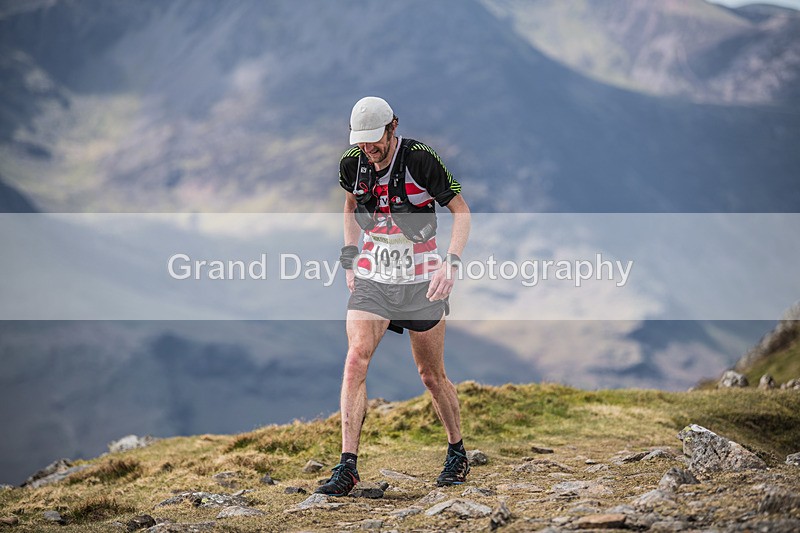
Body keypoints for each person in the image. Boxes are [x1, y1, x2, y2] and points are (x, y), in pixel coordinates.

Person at [315, 96, 472, 496]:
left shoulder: (420, 159)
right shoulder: (353, 162)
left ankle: (457, 451)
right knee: (355, 359)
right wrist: (350, 256)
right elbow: (351, 205)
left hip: (422, 275)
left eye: (376, 141)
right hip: (374, 271)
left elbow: (461, 209)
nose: (370, 149)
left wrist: (450, 263)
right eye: (363, 142)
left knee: (431, 375)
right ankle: (347, 466)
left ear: (393, 127)